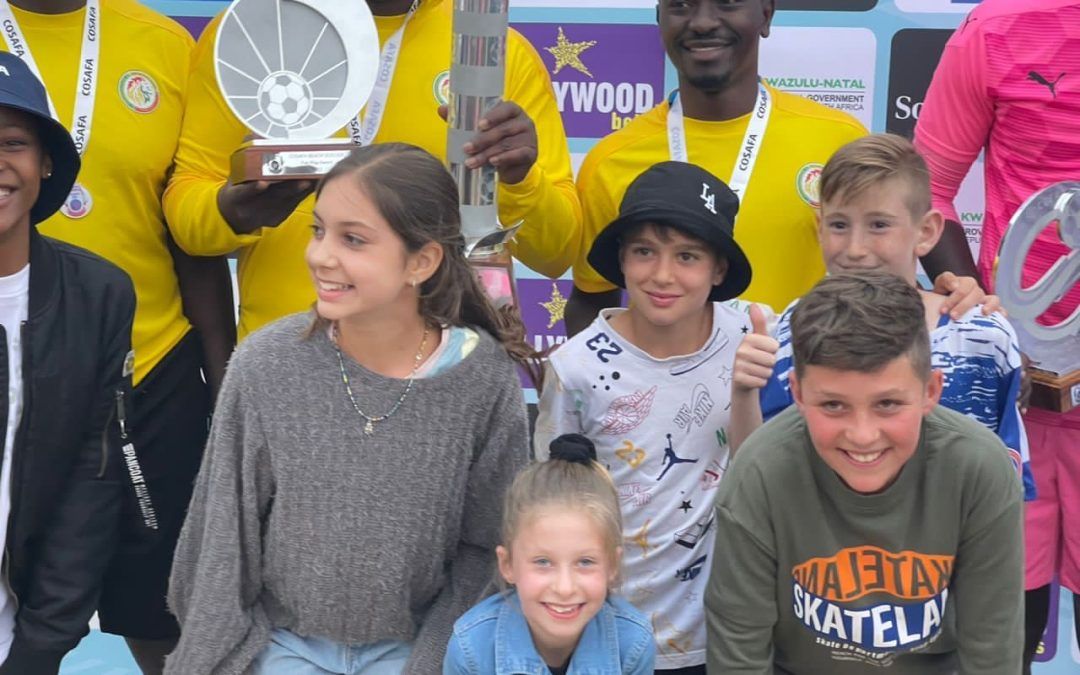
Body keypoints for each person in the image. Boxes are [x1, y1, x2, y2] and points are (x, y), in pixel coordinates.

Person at [166, 143, 531, 675]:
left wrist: (431, 663)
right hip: (278, 649)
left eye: (352, 239)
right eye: (318, 230)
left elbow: (488, 548)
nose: (320, 256)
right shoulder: (266, 365)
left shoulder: (482, 379)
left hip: (416, 654)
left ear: (422, 261)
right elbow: (220, 539)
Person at [0, 1, 237, 671]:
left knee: (164, 610)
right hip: (20, 373)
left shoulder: (166, 44)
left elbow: (188, 232)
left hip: (149, 372)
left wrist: (225, 382)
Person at [163, 0, 580, 340]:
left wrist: (518, 180)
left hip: (439, 362)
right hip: (289, 365)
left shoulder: (493, 53)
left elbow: (556, 253)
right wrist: (235, 211)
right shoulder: (253, 28)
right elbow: (187, 220)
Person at [706, 272, 1024, 674]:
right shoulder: (760, 473)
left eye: (887, 404)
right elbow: (739, 655)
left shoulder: (979, 469)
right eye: (833, 405)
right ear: (797, 393)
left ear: (930, 391)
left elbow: (992, 651)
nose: (862, 435)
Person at [534, 161, 762, 673]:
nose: (662, 274)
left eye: (687, 255)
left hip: (725, 636)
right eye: (644, 251)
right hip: (604, 638)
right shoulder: (575, 367)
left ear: (718, 269)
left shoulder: (753, 335)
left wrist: (940, 298)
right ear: (621, 259)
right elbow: (551, 505)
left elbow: (763, 474)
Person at [728, 134, 1035, 503]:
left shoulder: (981, 334)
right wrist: (744, 392)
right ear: (819, 227)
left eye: (878, 225)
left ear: (926, 232)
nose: (855, 249)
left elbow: (1009, 486)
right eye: (839, 225)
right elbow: (757, 474)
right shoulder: (793, 328)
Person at [914, 2, 1080, 669]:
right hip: (1017, 403)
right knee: (1002, 646)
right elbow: (928, 188)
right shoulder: (997, 27)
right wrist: (975, 306)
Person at [564, 0, 867, 335]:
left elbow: (879, 285)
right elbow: (591, 303)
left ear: (766, 14)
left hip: (802, 368)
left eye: (727, 3)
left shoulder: (840, 143)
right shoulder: (611, 161)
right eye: (681, 4)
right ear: (660, 19)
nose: (703, 22)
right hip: (667, 370)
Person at [0, 52, 135, 674]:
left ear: (46, 162)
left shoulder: (98, 295)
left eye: (13, 143)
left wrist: (42, 643)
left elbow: (92, 476)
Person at [444, 434, 655, 675]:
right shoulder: (471, 650)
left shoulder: (633, 645)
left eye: (585, 562)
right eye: (543, 562)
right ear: (508, 564)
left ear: (612, 566)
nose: (564, 588)